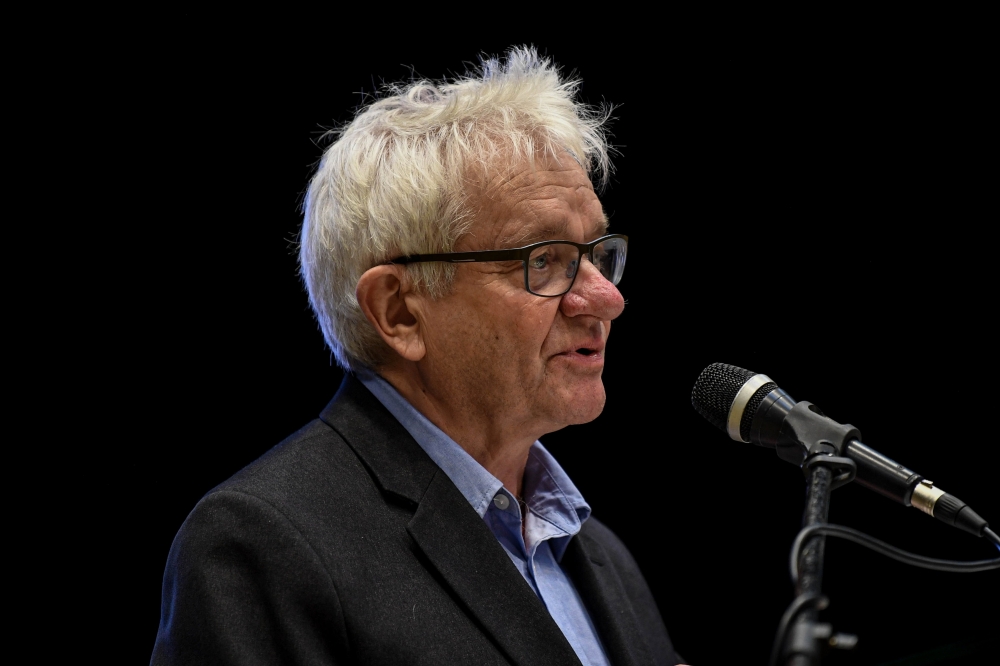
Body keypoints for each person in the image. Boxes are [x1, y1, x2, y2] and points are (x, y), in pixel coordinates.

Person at [152, 46, 681, 665]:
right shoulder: (263, 546)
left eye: (597, 253)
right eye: (544, 260)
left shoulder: (599, 555)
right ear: (400, 312)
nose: (606, 298)